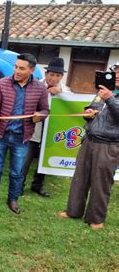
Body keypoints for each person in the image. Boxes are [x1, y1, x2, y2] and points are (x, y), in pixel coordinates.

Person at [0, 53, 49, 214]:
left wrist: (40, 116)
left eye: (22, 68)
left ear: (31, 70)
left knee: (17, 171)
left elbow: (45, 109)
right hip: (1, 134)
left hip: (22, 137)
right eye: (16, 67)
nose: (17, 71)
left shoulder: (40, 88)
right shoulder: (3, 83)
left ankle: (13, 199)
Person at [58, 64, 119, 230]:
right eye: (117, 72)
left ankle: (96, 219)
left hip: (108, 146)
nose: (118, 75)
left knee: (101, 183)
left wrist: (110, 99)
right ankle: (73, 211)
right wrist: (89, 112)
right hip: (89, 141)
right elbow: (93, 108)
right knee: (80, 178)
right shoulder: (105, 91)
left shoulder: (109, 95)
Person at [21, 57, 66, 197]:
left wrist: (61, 94)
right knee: (26, 160)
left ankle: (37, 185)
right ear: (46, 74)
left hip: (52, 131)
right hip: (34, 130)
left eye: (58, 75)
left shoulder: (65, 91)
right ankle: (19, 185)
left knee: (44, 159)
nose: (54, 78)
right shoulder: (35, 86)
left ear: (62, 76)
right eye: (51, 74)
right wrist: (47, 93)